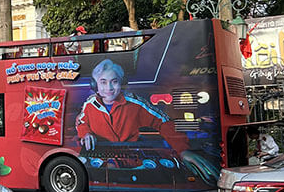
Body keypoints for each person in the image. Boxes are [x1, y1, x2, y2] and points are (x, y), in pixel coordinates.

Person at [76, 58, 218, 184]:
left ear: (122, 83)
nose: (109, 88)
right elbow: (81, 122)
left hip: (131, 157)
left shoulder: (136, 104)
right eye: (103, 82)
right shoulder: (89, 104)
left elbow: (164, 122)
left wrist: (183, 150)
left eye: (114, 81)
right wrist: (86, 134)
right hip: (101, 155)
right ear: (95, 85)